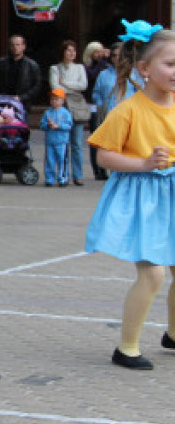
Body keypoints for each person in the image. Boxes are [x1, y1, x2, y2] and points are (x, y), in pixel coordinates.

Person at [85, 21, 175, 371]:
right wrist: (144, 163)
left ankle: (172, 334)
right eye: (169, 64)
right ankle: (127, 347)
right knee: (152, 274)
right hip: (144, 199)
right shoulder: (128, 108)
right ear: (145, 69)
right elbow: (104, 156)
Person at [49, 39, 90, 185]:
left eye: (74, 50)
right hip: (61, 106)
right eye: (69, 50)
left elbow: (83, 85)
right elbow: (56, 87)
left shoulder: (79, 68)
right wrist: (67, 87)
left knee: (77, 144)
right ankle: (62, 174)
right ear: (63, 52)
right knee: (61, 143)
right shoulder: (55, 68)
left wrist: (64, 83)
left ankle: (78, 175)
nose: (72, 53)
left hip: (77, 107)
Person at [0, 34, 41, 107]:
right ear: (9, 47)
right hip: (2, 102)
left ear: (24, 46)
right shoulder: (1, 63)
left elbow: (36, 86)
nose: (15, 47)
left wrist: (21, 97)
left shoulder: (32, 65)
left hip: (22, 104)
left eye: (18, 45)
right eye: (12, 45)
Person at [83, 41, 110, 181]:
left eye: (101, 51)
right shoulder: (88, 67)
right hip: (92, 105)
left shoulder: (106, 66)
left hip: (105, 105)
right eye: (96, 52)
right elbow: (93, 76)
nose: (99, 54)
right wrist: (103, 60)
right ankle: (97, 169)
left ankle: (105, 168)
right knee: (96, 137)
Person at [40, 88, 73, 187]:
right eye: (52, 99)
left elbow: (69, 126)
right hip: (50, 141)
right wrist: (47, 125)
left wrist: (58, 126)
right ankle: (49, 178)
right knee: (49, 160)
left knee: (62, 160)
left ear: (62, 101)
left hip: (62, 141)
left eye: (56, 99)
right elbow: (42, 125)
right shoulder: (47, 112)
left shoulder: (65, 113)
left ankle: (62, 178)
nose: (54, 101)